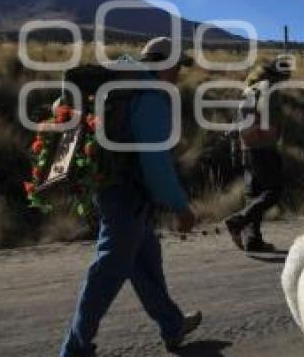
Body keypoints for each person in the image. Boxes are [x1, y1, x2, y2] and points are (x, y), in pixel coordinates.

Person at [60, 37, 202, 356]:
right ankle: (75, 348)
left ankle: (172, 324)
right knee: (107, 271)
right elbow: (156, 164)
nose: (179, 74)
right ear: (165, 64)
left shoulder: (124, 86)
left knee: (144, 260)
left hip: (110, 186)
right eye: (178, 67)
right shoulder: (151, 96)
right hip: (128, 195)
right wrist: (180, 207)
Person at [224, 58, 290, 252]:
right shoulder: (269, 90)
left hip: (247, 148)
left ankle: (252, 240)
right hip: (263, 147)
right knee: (273, 191)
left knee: (254, 195)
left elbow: (240, 123)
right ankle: (238, 220)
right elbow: (270, 119)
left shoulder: (249, 90)